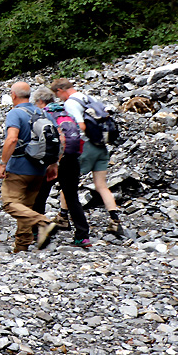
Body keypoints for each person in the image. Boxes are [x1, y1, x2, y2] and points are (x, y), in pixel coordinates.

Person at [50, 78, 125, 238]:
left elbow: (81, 125)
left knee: (68, 182)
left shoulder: (70, 103)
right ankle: (114, 221)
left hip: (85, 147)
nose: (59, 99)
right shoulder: (87, 97)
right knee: (101, 185)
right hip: (101, 147)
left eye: (58, 95)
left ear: (60, 90)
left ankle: (63, 217)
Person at [0, 82, 58, 253]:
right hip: (39, 169)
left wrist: (3, 163)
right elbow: (59, 139)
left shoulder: (15, 113)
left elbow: (12, 139)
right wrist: (54, 164)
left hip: (18, 167)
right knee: (26, 208)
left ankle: (44, 222)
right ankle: (21, 247)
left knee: (10, 203)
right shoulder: (42, 112)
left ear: (13, 95)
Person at [33, 87, 92, 248]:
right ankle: (82, 236)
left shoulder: (43, 114)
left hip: (53, 161)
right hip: (72, 159)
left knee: (40, 196)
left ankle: (38, 231)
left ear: (40, 101)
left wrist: (53, 161)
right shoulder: (67, 113)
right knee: (72, 197)